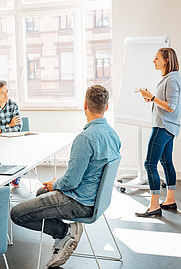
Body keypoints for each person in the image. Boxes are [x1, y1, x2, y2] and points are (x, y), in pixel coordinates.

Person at [10, 85, 121, 268]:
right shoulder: (113, 135)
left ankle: (64, 232)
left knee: (17, 214)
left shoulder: (85, 138)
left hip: (79, 202)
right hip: (95, 199)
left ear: (84, 105)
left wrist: (56, 184)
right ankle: (62, 236)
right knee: (40, 191)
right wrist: (55, 184)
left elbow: (71, 182)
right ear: (106, 107)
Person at [135, 48, 181, 217]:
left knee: (149, 164)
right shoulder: (170, 78)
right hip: (168, 127)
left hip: (162, 127)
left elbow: (171, 106)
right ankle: (170, 200)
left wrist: (153, 98)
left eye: (156, 58)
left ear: (167, 60)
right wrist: (151, 99)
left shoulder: (172, 80)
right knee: (167, 163)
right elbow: (167, 104)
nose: (153, 61)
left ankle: (154, 205)